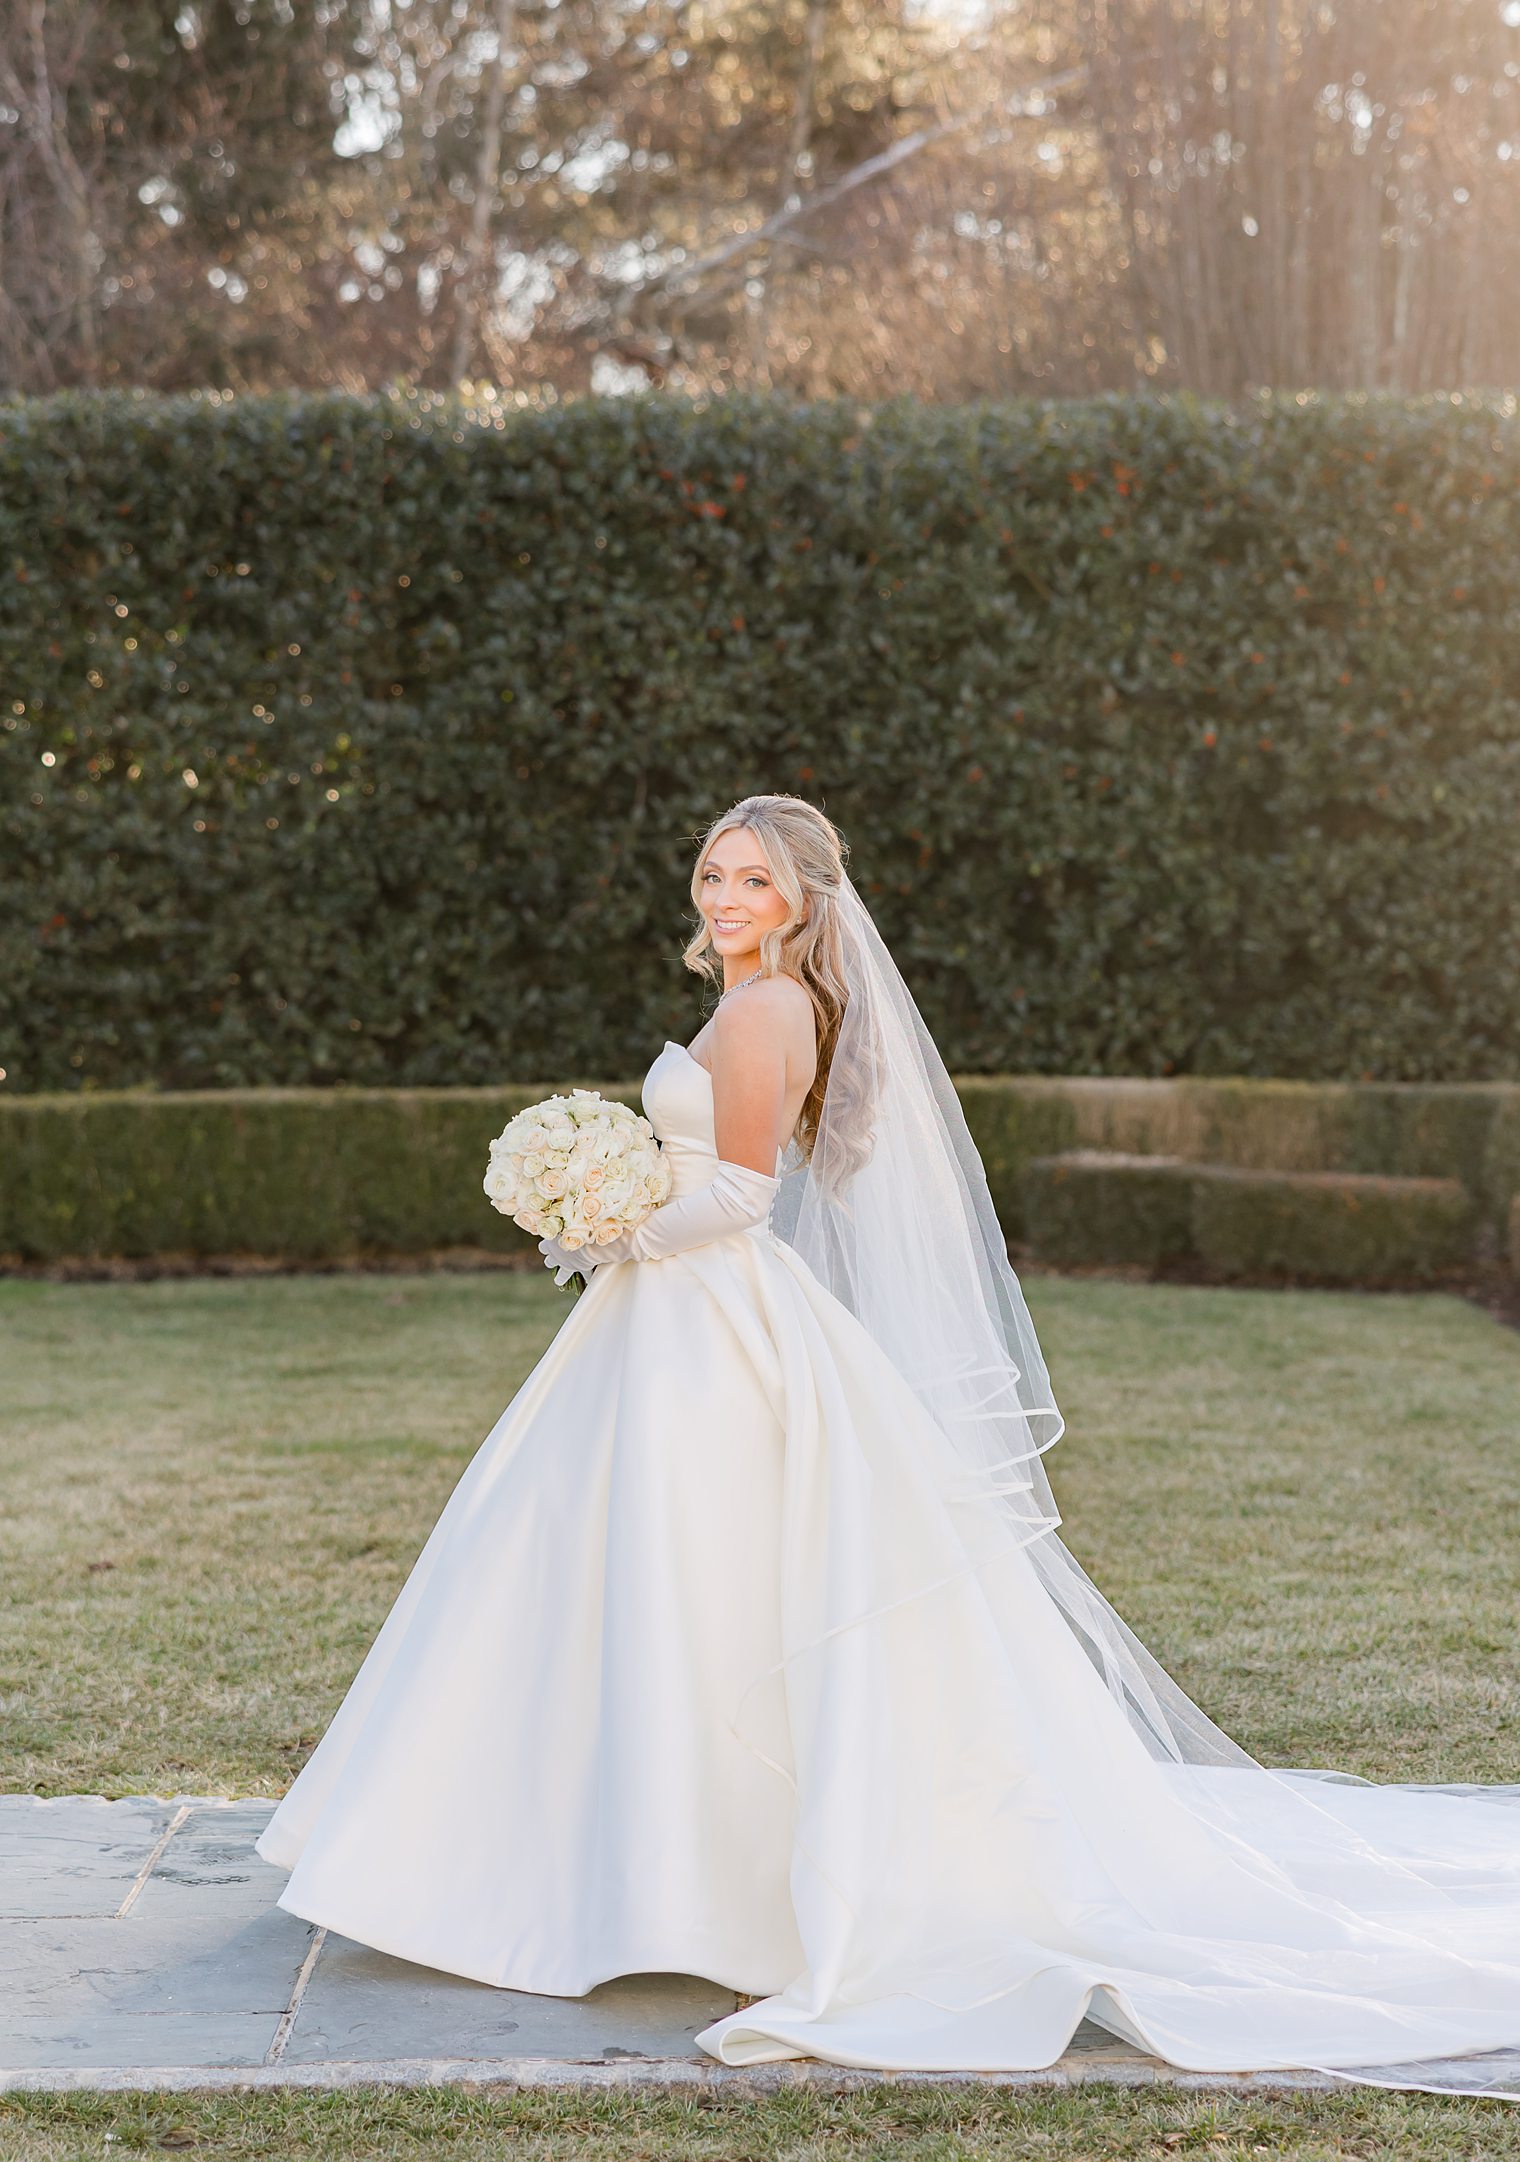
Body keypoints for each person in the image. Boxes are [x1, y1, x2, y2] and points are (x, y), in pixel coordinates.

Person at [258, 793, 1520, 2093]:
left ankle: (658, 1884)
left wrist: (608, 1223)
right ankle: (607, 1872)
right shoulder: (755, 1000)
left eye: (752, 879)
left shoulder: (762, 1012)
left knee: (677, 1578)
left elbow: (741, 1198)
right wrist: (605, 1202)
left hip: (705, 1332)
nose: (725, 896)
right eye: (712, 873)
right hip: (670, 1328)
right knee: (606, 1570)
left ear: (802, 899)